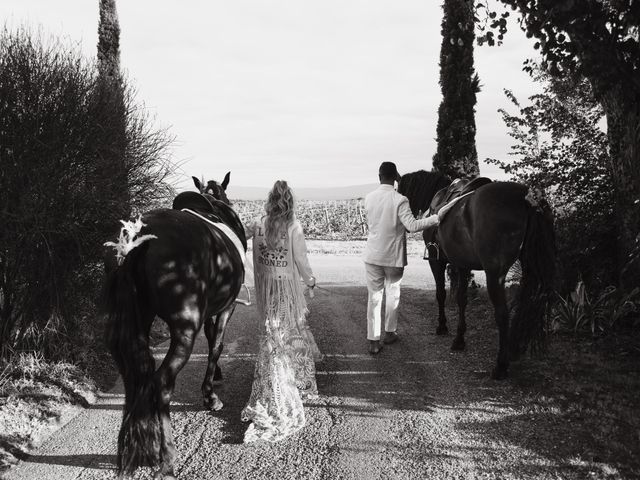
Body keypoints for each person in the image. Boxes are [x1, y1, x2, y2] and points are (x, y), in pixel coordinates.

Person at [241, 180, 320, 443]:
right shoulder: (293, 226)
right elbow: (301, 259)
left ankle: (277, 379)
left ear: (270, 200)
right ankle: (289, 382)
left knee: (271, 332)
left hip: (266, 288)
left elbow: (239, 235)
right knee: (290, 331)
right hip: (286, 290)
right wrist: (310, 281)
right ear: (290, 201)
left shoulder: (258, 223)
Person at [364, 162, 447, 354]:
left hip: (372, 255)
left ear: (379, 176)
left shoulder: (368, 198)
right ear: (396, 177)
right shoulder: (400, 199)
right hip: (393, 257)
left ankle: (373, 341)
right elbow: (412, 226)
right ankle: (390, 333)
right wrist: (437, 218)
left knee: (374, 298)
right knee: (392, 294)